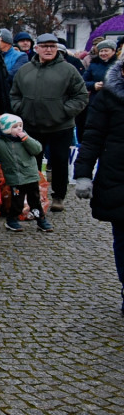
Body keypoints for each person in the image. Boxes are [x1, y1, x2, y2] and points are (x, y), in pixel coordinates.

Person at [10, 33, 88, 213]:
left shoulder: (68, 70)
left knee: (60, 162)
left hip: (60, 126)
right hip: (32, 125)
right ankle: (34, 196)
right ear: (36, 48)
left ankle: (58, 196)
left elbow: (81, 96)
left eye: (52, 46)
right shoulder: (25, 70)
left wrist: (64, 111)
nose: (49, 49)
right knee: (32, 164)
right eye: (45, 46)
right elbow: (14, 94)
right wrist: (22, 109)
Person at [74, 57, 124, 315]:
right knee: (123, 239)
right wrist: (83, 174)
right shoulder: (108, 97)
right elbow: (92, 136)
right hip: (117, 176)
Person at [0, 114, 48, 232]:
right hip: (15, 179)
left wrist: (26, 139)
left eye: (20, 126)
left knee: (35, 200)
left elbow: (37, 149)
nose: (19, 128)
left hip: (31, 177)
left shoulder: (26, 140)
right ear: (7, 129)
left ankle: (41, 219)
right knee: (17, 202)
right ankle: (12, 220)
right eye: (15, 127)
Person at [80, 39, 118, 144]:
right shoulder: (94, 65)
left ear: (113, 51)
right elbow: (82, 82)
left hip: (114, 101)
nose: (103, 53)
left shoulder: (118, 65)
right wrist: (93, 85)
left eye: (106, 50)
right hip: (95, 101)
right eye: (101, 51)